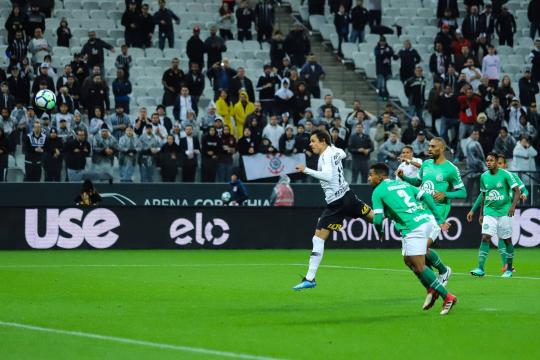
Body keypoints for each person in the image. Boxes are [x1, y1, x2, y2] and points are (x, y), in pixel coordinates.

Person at [369, 163, 457, 315]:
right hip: (425, 220)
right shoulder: (401, 183)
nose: (369, 178)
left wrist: (380, 231)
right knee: (408, 260)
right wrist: (438, 218)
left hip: (413, 227)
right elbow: (426, 196)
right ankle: (432, 287)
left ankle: (447, 296)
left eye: (371, 175)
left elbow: (377, 219)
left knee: (419, 265)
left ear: (380, 176)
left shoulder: (378, 192)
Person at [293, 129, 374, 291]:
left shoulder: (326, 155)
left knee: (318, 239)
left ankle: (310, 278)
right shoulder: (333, 151)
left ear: (323, 141)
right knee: (373, 217)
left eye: (313, 141)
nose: (311, 144)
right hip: (347, 195)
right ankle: (403, 221)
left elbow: (328, 176)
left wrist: (306, 170)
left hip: (337, 202)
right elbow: (343, 154)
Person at [397, 137, 465, 303]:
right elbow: (419, 183)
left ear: (442, 148)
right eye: (429, 146)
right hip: (421, 212)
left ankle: (439, 279)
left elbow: (462, 192)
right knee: (416, 254)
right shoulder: (426, 164)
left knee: (420, 249)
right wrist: (405, 178)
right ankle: (442, 271)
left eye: (433, 146)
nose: (429, 149)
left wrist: (446, 194)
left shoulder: (451, 169)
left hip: (437, 214)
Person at [469, 154, 528, 273]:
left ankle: (508, 266)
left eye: (499, 162)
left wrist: (522, 196)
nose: (490, 163)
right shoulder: (484, 176)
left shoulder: (510, 176)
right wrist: (475, 211)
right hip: (490, 211)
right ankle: (482, 268)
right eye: (487, 161)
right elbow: (483, 195)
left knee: (504, 239)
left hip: (505, 211)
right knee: (485, 237)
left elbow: (522, 189)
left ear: (504, 164)